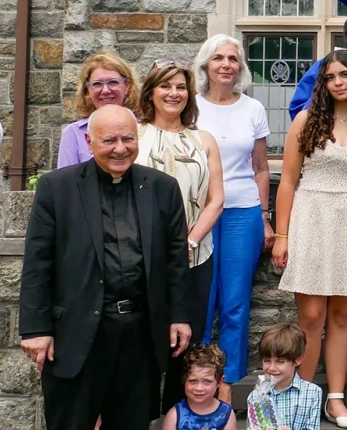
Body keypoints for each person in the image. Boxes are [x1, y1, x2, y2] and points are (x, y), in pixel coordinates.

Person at [20, 104, 194, 430]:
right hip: (76, 333)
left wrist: (180, 316)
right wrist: (35, 328)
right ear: (89, 142)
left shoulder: (162, 187)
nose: (120, 148)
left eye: (128, 139)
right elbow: (37, 263)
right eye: (109, 140)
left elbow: (175, 260)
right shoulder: (57, 188)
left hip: (140, 334)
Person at [272, 49, 347, 429]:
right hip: (311, 214)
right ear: (322, 84)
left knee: (342, 316)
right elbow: (289, 181)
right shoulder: (305, 121)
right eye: (330, 77)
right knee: (310, 316)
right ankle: (303, 397)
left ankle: (336, 401)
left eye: (344, 75)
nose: (338, 82)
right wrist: (281, 235)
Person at [133, 59, 226, 413]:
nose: (174, 93)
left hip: (195, 255)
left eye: (181, 87)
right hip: (141, 257)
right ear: (151, 92)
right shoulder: (136, 136)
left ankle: (176, 417)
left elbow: (216, 199)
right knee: (141, 341)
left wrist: (188, 242)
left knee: (183, 344)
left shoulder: (203, 140)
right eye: (165, 86)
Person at [193, 34, 272, 402]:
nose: (226, 64)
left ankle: (226, 387)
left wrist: (266, 217)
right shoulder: (190, 107)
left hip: (243, 213)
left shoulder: (253, 109)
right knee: (201, 301)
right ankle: (196, 383)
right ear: (206, 65)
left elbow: (259, 167)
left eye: (233, 59)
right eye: (218, 58)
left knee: (236, 304)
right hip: (200, 213)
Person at [59, 51, 139, 168]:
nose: (105, 90)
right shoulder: (73, 134)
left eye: (113, 82)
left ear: (126, 86)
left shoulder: (144, 127)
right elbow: (66, 181)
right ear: (88, 89)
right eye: (97, 84)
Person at [254, 323, 324, 430]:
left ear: (298, 360)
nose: (272, 368)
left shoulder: (313, 392)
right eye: (267, 360)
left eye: (280, 361)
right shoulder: (256, 396)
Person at [160, 345, 235, 430]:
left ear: (219, 381)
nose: (199, 388)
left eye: (207, 381)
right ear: (184, 380)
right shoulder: (175, 415)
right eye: (193, 381)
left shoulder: (225, 413)